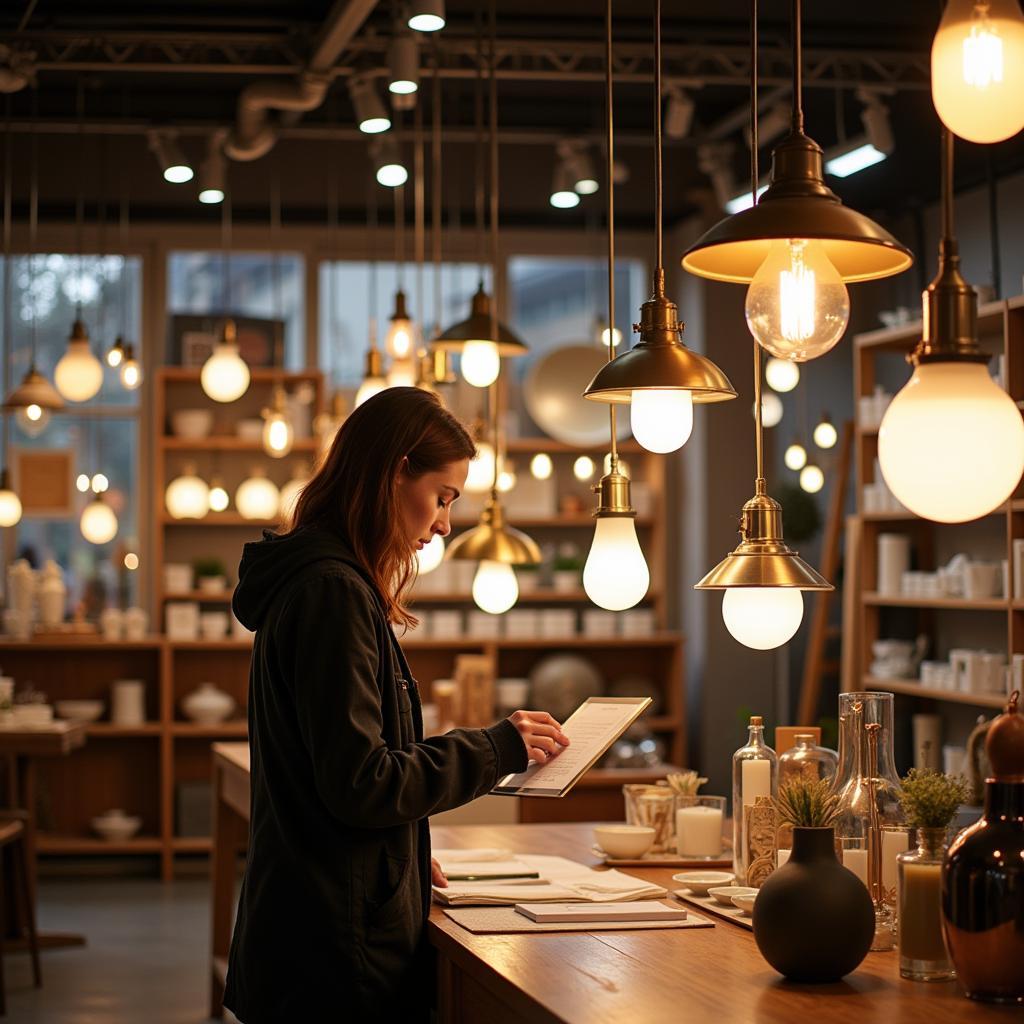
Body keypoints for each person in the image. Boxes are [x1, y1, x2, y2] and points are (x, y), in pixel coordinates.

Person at [223, 387, 569, 1022]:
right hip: (332, 956)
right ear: (393, 471)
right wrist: (498, 747)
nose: (443, 525)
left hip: (316, 929)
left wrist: (400, 855)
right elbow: (362, 782)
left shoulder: (324, 582)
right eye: (441, 498)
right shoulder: (332, 592)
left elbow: (337, 781)